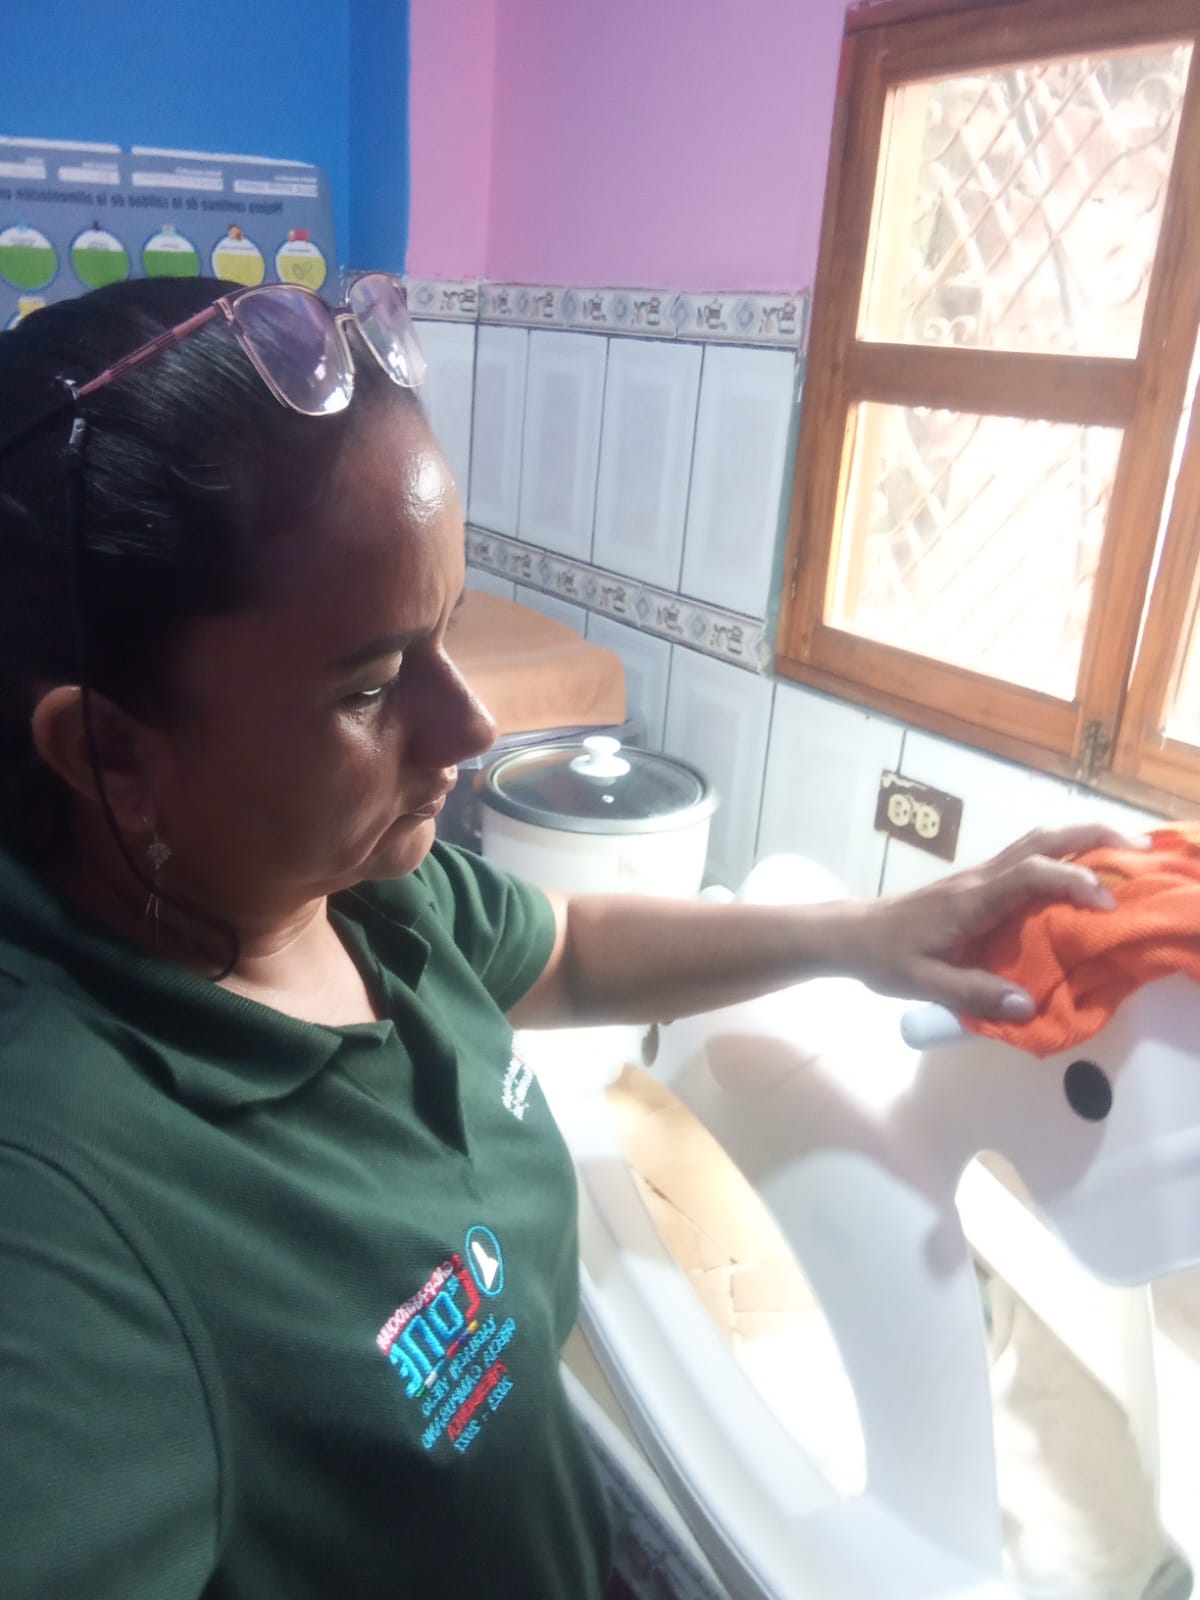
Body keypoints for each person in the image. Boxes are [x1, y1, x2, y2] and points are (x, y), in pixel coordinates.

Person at [0, 275, 1130, 1600]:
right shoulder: (68, 1220)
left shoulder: (357, 894)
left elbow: (575, 949)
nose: (472, 728)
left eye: (447, 630)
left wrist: (873, 933)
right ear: (113, 749)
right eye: (372, 687)